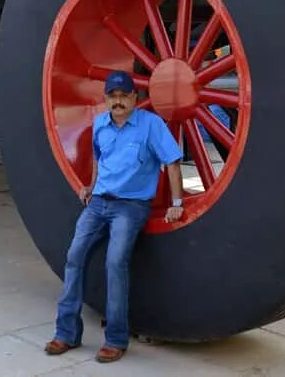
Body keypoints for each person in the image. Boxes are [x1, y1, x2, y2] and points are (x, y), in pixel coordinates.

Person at [44, 70, 184, 364]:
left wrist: (177, 202)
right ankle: (66, 333)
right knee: (74, 257)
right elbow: (98, 157)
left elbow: (172, 161)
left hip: (131, 207)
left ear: (135, 97)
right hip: (98, 204)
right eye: (113, 96)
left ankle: (116, 339)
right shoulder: (100, 124)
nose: (118, 101)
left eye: (124, 96)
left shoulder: (151, 125)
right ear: (106, 99)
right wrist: (91, 186)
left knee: (115, 261)